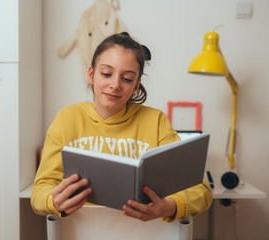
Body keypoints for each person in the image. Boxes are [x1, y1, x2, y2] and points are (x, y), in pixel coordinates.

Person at [31, 32, 212, 222]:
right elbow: (40, 190)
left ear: (136, 86)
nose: (115, 85)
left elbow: (201, 189)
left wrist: (167, 207)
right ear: (91, 75)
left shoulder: (155, 121)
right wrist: (53, 201)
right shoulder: (67, 118)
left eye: (126, 79)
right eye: (107, 74)